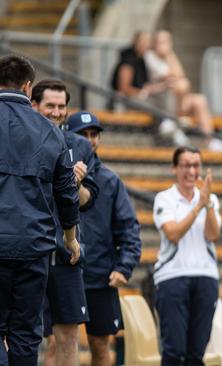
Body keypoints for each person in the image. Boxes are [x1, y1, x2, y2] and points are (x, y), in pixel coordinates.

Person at [0, 54, 80, 366]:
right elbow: (67, 193)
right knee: (26, 332)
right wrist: (70, 237)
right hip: (34, 247)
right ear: (27, 86)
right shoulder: (51, 132)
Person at [31, 79, 100, 366]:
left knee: (68, 334)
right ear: (34, 105)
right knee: (24, 333)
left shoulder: (80, 145)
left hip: (66, 252)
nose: (57, 112)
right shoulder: (20, 137)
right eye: (50, 105)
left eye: (62, 107)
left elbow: (87, 201)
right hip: (28, 248)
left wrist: (76, 182)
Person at [68, 111, 142, 366]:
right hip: (63, 272)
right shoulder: (54, 172)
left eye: (93, 135)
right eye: (82, 135)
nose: (89, 140)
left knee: (100, 345)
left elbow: (129, 227)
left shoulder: (110, 180)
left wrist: (124, 266)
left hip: (99, 275)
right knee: (58, 342)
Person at [152, 146, 222, 365]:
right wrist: (198, 206)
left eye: (196, 165)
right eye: (186, 165)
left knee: (196, 353)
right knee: (174, 351)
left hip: (206, 277)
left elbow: (212, 234)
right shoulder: (165, 198)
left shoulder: (210, 200)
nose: (192, 171)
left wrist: (207, 203)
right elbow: (173, 234)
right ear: (175, 168)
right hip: (172, 278)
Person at [145, 30, 222, 152]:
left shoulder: (170, 57)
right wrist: (169, 56)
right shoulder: (150, 57)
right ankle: (175, 122)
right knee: (181, 85)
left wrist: (169, 55)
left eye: (167, 42)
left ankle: (210, 141)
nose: (164, 45)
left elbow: (181, 75)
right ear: (155, 43)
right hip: (161, 103)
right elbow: (173, 74)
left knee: (200, 100)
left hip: (176, 101)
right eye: (161, 42)